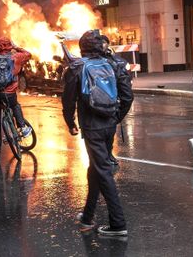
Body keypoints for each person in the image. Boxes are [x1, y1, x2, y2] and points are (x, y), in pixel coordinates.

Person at [62, 30, 131, 236]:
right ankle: (88, 216)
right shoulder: (113, 64)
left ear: (82, 48)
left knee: (103, 170)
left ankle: (118, 224)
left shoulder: (76, 67)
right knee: (96, 168)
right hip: (109, 124)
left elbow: (68, 101)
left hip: (91, 127)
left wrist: (70, 122)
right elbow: (127, 97)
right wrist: (116, 117)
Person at [0, 37, 32, 162]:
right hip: (9, 94)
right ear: (9, 46)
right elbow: (28, 54)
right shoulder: (16, 57)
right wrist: (16, 47)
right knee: (15, 105)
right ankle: (22, 127)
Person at [100, 35, 133, 166]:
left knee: (106, 134)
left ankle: (106, 156)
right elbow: (127, 96)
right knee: (108, 132)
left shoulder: (116, 62)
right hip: (108, 107)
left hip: (101, 108)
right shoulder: (119, 62)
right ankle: (107, 156)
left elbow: (127, 95)